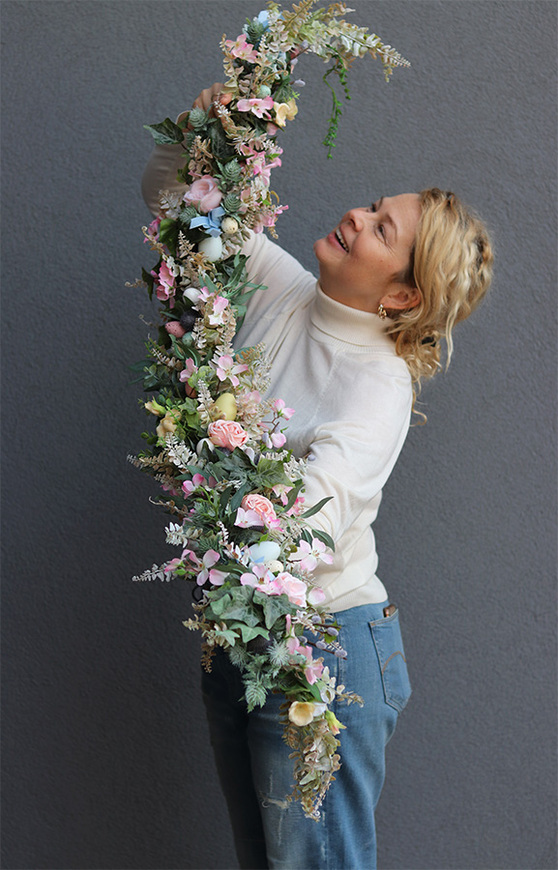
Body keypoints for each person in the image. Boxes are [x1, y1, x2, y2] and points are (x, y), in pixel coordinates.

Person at [141, 84, 494, 870]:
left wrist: (206, 476)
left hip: (326, 653)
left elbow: (301, 525)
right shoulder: (279, 286)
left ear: (402, 293)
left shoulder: (378, 386)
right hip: (240, 635)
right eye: (372, 204)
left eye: (380, 227)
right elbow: (173, 199)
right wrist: (214, 130)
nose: (357, 217)